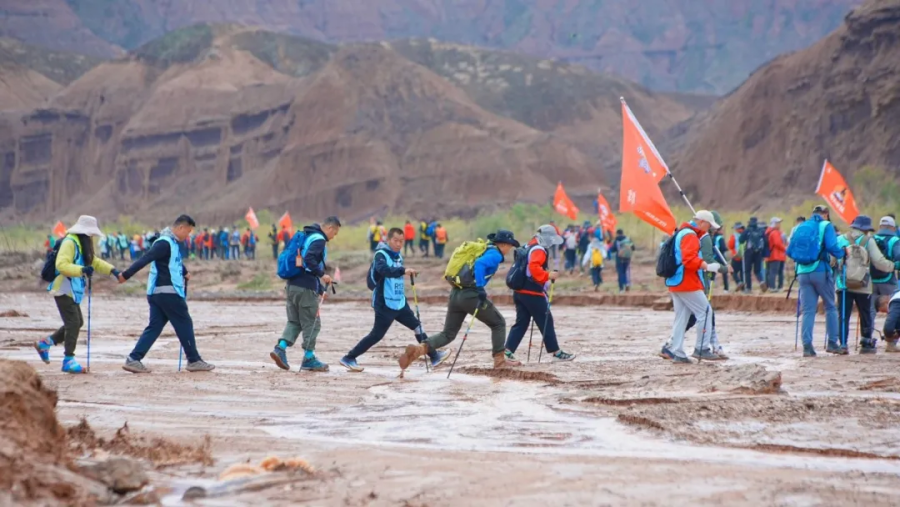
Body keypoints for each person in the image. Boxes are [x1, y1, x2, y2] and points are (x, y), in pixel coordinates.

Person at [398, 230, 521, 371]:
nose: (510, 249)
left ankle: (418, 350)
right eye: (510, 246)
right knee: (499, 323)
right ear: (504, 244)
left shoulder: (484, 248)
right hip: (470, 295)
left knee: (448, 334)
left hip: (456, 294)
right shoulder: (495, 255)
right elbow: (480, 264)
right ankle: (499, 362)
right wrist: (480, 288)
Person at [340, 228, 451, 372]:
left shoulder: (398, 256)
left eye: (401, 241)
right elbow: (384, 270)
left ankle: (434, 357)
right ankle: (349, 358)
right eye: (396, 241)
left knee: (417, 326)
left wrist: (405, 272)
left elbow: (396, 275)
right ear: (388, 240)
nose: (399, 244)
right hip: (385, 304)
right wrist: (403, 271)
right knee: (376, 335)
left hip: (399, 302)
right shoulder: (380, 255)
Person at [118, 215, 214, 373]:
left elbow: (173, 261)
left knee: (154, 327)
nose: (188, 235)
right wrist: (126, 275)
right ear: (181, 228)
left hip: (157, 293)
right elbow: (147, 258)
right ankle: (194, 360)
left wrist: (184, 272)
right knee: (184, 323)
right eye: (188, 231)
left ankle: (133, 359)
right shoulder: (164, 243)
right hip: (168, 292)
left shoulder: (171, 243)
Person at [34, 216, 119, 374]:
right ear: (85, 233)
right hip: (63, 289)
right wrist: (81, 270)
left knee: (77, 322)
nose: (92, 238)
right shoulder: (69, 243)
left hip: (72, 291)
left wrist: (112, 270)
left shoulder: (80, 244)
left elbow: (94, 262)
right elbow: (62, 264)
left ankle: (46, 343)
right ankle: (68, 360)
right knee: (73, 323)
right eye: (91, 235)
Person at [270, 216, 342, 372]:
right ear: (330, 228)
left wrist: (321, 289)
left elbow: (305, 266)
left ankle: (280, 349)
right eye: (334, 233)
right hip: (305, 289)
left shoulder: (307, 236)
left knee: (294, 322)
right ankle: (309, 358)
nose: (333, 237)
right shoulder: (319, 240)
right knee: (313, 323)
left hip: (292, 286)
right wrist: (323, 275)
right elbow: (309, 260)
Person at [504, 226, 576, 362]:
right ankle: (556, 352)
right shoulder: (539, 249)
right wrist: (548, 275)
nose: (551, 242)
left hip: (519, 291)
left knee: (521, 322)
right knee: (546, 320)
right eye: (551, 239)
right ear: (546, 237)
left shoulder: (528, 245)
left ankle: (507, 351)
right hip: (532, 293)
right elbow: (534, 268)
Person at [659, 211, 720, 364]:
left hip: (676, 282)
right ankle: (701, 348)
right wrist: (707, 266)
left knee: (681, 318)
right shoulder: (690, 236)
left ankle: (677, 352)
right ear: (702, 222)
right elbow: (689, 260)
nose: (709, 230)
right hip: (687, 282)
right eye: (709, 226)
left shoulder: (682, 233)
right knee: (705, 312)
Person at [836, 215, 893, 354]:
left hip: (843, 284)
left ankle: (843, 344)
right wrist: (892, 266)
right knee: (865, 313)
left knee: (843, 314)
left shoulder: (840, 239)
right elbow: (879, 261)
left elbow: (832, 260)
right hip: (863, 284)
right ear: (866, 229)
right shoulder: (868, 240)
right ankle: (866, 342)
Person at [792, 205, 845, 357]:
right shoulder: (826, 225)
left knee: (808, 310)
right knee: (830, 306)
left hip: (802, 272)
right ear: (826, 214)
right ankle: (833, 343)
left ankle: (807, 347)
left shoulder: (801, 227)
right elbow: (832, 246)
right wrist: (843, 253)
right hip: (821, 270)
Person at [681, 211, 730, 360]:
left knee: (697, 314)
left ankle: (672, 344)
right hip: (701, 279)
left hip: (695, 279)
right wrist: (723, 268)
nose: (717, 229)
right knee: (704, 313)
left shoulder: (695, 234)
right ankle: (710, 347)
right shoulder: (705, 237)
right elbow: (707, 260)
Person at [871, 216, 900, 329]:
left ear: (880, 227)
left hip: (871, 281)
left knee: (870, 311)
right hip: (888, 280)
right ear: (893, 228)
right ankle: (890, 340)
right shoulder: (895, 240)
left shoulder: (871, 238)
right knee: (892, 309)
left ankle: (867, 339)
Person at [740, 217, 767, 293]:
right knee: (757, 270)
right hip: (758, 253)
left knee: (747, 270)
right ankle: (761, 281)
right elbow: (766, 242)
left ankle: (748, 288)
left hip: (748, 252)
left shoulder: (747, 230)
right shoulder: (761, 231)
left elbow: (741, 240)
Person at [765, 218, 786, 292]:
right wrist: (786, 249)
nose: (779, 224)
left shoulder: (771, 232)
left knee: (774, 272)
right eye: (778, 223)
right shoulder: (774, 233)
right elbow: (778, 244)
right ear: (774, 224)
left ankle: (775, 287)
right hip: (776, 255)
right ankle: (773, 287)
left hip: (775, 255)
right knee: (774, 272)